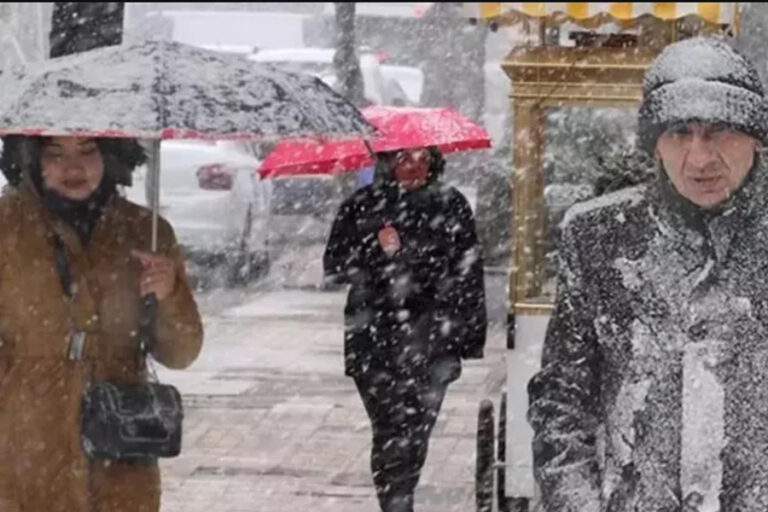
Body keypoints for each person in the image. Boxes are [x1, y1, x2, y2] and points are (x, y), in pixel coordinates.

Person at [528, 37, 768, 511]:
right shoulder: (599, 236)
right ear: (654, 142)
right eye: (680, 132)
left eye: (720, 130)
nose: (700, 159)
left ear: (756, 135)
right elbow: (562, 400)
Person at [0, 136, 203, 511]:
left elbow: (182, 352)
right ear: (30, 158)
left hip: (122, 451)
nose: (73, 168)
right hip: (24, 450)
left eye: (88, 150)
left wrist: (169, 294)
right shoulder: (5, 229)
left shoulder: (147, 231)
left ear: (110, 155)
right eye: (56, 153)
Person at [324, 146, 487, 512]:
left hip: (433, 340)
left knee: (416, 434)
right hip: (375, 340)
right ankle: (396, 505)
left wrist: (469, 336)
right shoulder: (362, 205)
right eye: (404, 160)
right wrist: (375, 251)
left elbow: (468, 270)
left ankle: (402, 496)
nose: (414, 168)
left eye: (423, 160)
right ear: (387, 162)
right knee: (390, 431)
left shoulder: (451, 204)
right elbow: (334, 266)